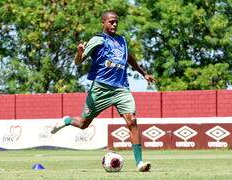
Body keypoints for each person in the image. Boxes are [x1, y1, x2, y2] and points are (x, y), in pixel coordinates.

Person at [51, 10, 155, 172]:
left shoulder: (122, 40)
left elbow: (129, 58)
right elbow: (79, 61)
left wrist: (144, 73)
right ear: (103, 23)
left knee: (132, 121)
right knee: (83, 124)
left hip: (121, 88)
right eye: (111, 21)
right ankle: (66, 121)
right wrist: (79, 53)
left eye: (116, 22)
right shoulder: (97, 40)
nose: (114, 24)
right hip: (100, 88)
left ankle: (139, 163)